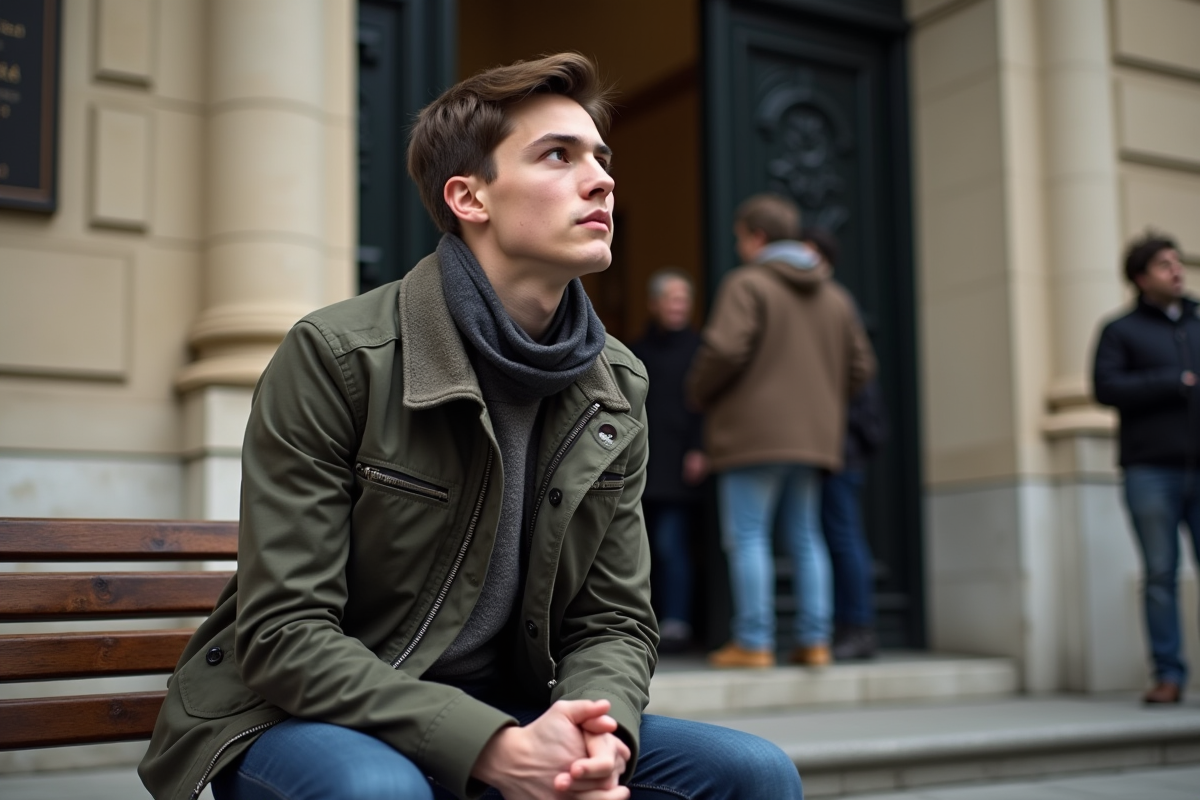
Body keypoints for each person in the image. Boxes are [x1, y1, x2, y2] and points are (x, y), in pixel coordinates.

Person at [138, 54, 803, 800]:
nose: (603, 179)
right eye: (559, 154)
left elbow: (614, 619)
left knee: (755, 774)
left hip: (507, 705)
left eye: (600, 157)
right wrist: (487, 745)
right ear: (468, 197)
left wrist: (596, 735)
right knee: (378, 791)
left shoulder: (616, 382)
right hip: (299, 715)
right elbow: (285, 634)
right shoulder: (339, 356)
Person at [688, 194, 876, 669]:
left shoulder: (747, 284)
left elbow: (725, 351)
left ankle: (754, 642)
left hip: (753, 434)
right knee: (807, 537)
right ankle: (815, 642)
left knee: (749, 536)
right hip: (815, 437)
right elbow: (862, 366)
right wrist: (822, 400)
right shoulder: (835, 295)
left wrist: (699, 392)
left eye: (740, 238)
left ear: (756, 236)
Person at [1093, 231, 1200, 705]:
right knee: (1160, 575)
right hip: (1150, 471)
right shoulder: (1120, 331)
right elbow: (1106, 387)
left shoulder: (1199, 323)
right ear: (1141, 278)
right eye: (1163, 264)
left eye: (1177, 262)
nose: (1176, 270)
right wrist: (1172, 381)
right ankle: (1169, 675)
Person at [800, 229, 887, 662]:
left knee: (841, 533)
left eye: (808, 254)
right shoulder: (827, 300)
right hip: (831, 438)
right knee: (829, 533)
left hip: (841, 441)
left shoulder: (832, 301)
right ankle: (842, 627)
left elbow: (859, 372)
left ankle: (858, 628)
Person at [630, 270, 707, 654]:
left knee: (670, 544)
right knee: (639, 546)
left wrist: (700, 448)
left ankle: (675, 622)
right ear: (654, 304)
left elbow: (706, 408)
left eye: (683, 300)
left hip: (681, 464)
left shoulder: (701, 348)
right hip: (643, 462)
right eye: (671, 299)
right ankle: (645, 621)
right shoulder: (636, 351)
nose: (678, 306)